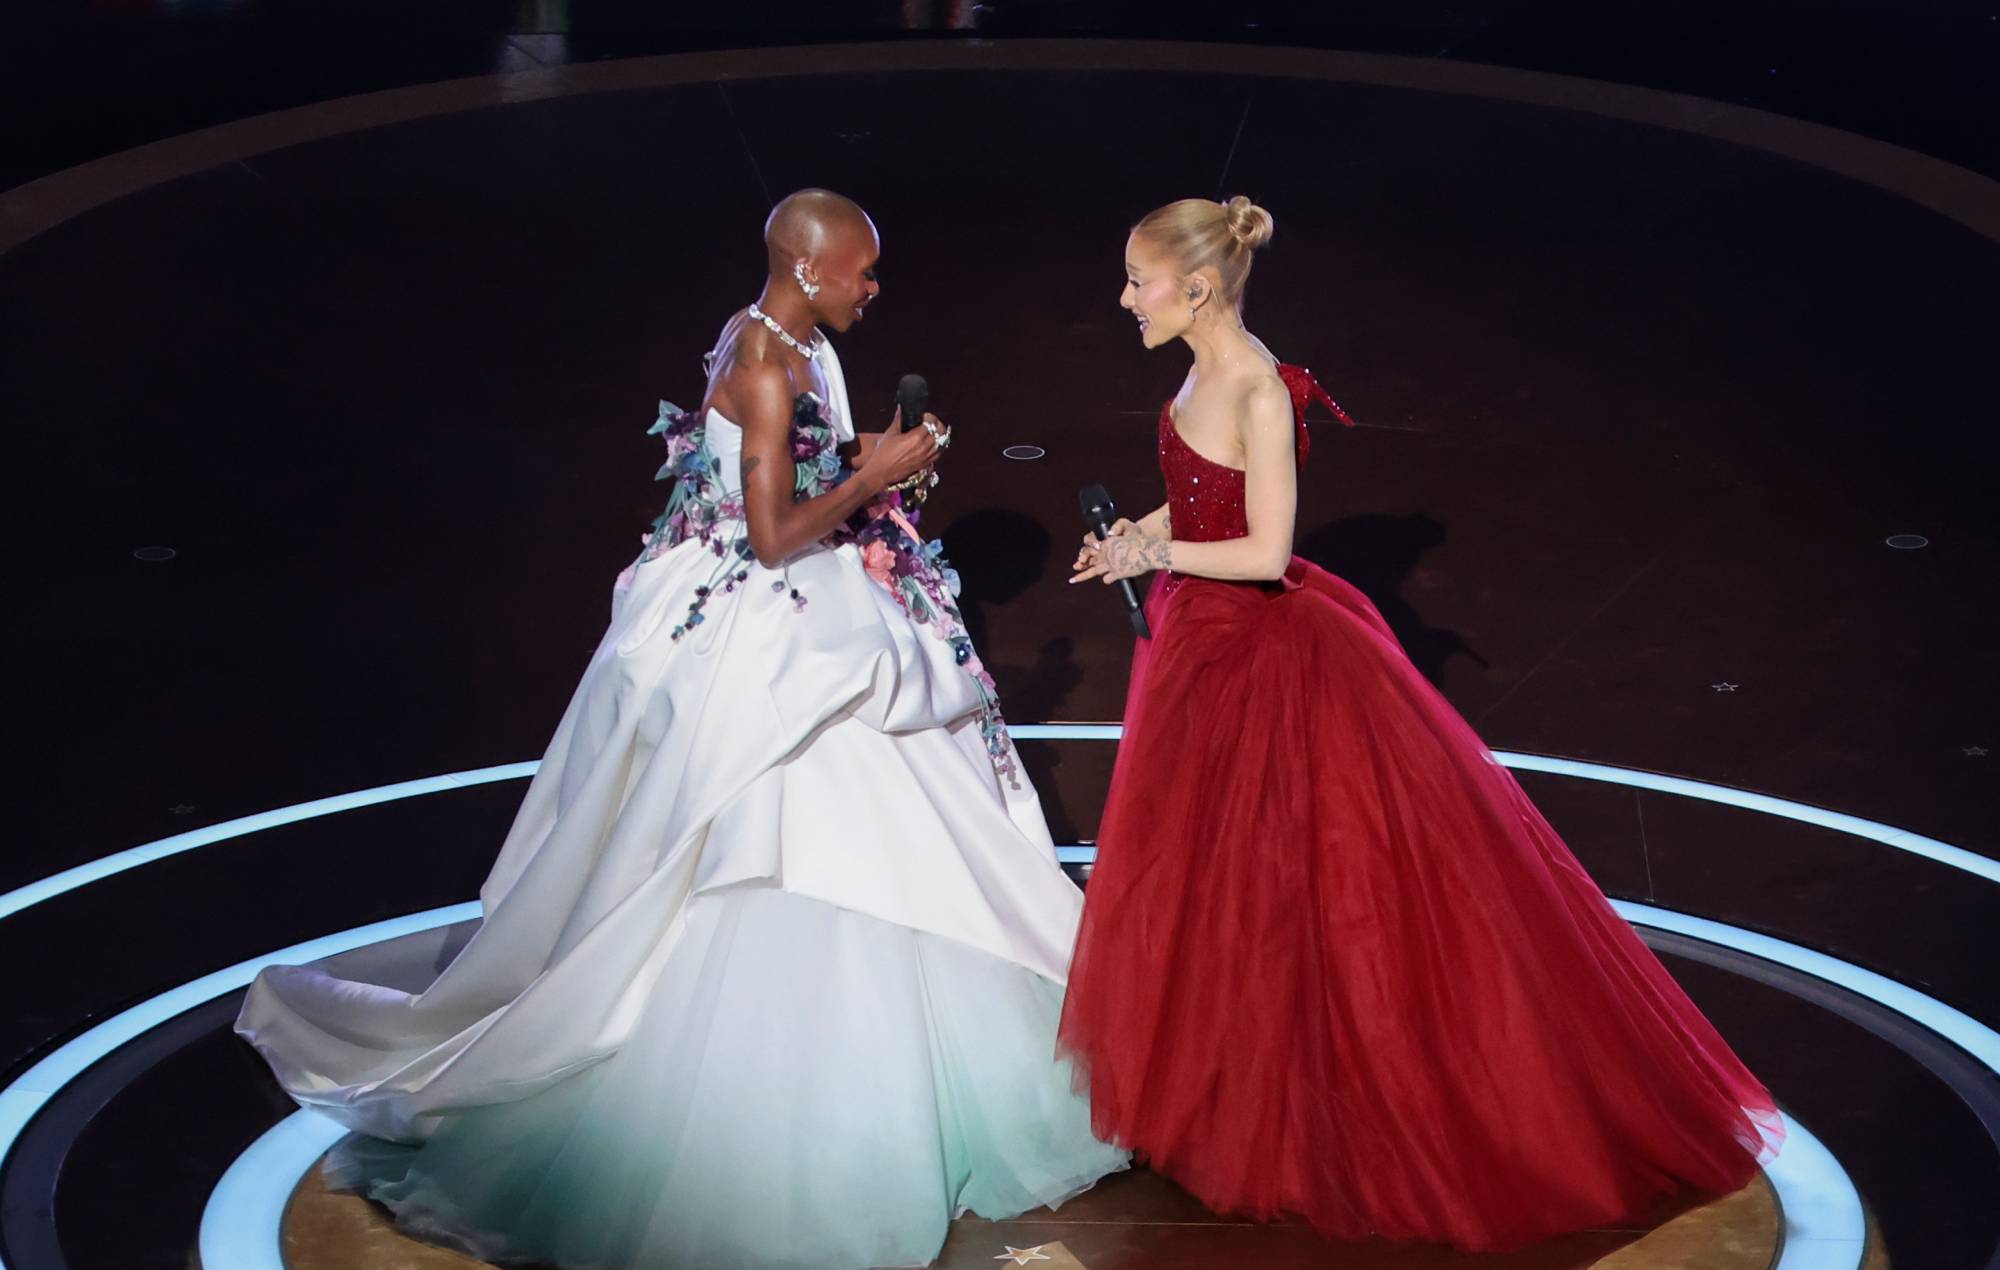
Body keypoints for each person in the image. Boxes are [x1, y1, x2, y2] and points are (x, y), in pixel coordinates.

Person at [236, 189, 1126, 1270]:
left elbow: (804, 465)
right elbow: (770, 535)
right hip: (767, 622)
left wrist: (876, 462)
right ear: (806, 269)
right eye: (860, 270)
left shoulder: (805, 345)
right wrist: (869, 479)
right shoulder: (761, 360)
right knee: (764, 827)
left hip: (812, 598)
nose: (872, 287)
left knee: (880, 821)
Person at [1059, 195, 1781, 1253]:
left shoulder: (1256, 385)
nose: (1126, 298)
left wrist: (1155, 554)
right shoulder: (1194, 371)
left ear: (1198, 289)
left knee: (1292, 887)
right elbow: (1206, 496)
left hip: (1259, 658)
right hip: (1198, 646)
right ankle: (1229, 1093)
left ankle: (1312, 1116)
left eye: (1138, 279)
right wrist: (1140, 534)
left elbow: (1265, 551)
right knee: (1216, 884)